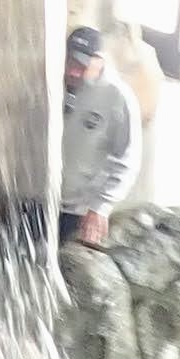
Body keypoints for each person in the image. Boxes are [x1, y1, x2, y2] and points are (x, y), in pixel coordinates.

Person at [58, 24, 139, 247]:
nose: (73, 72)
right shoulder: (52, 81)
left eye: (82, 66)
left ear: (99, 61)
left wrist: (100, 207)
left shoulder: (118, 98)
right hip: (39, 200)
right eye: (70, 62)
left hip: (80, 210)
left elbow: (127, 159)